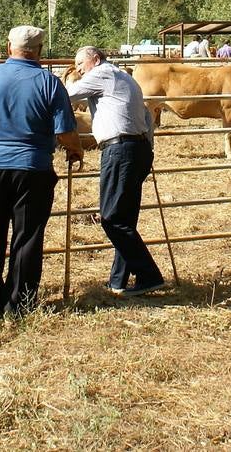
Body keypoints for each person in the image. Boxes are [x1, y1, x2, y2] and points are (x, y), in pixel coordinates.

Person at [0, 25, 84, 317]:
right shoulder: (49, 83)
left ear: (8, 47)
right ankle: (19, 304)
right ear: (39, 51)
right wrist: (76, 149)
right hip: (33, 169)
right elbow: (65, 130)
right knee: (27, 237)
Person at [65, 45, 166, 296]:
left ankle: (149, 275)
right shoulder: (123, 76)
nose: (78, 69)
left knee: (111, 218)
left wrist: (68, 80)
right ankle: (118, 281)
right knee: (125, 217)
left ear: (95, 60)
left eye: (80, 64)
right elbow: (145, 114)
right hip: (137, 148)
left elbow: (68, 94)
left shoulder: (103, 74)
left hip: (120, 149)